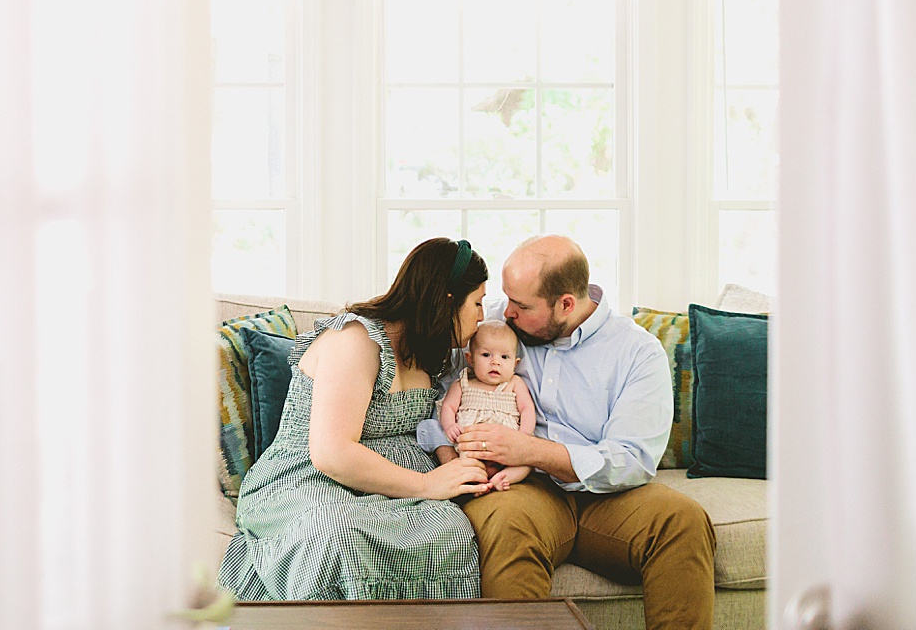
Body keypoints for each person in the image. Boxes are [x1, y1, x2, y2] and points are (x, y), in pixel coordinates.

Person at [452, 234, 716, 630]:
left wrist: (530, 450)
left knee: (683, 521)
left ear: (566, 304)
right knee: (508, 525)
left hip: (608, 497)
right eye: (506, 299)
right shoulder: (494, 322)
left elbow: (631, 458)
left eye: (521, 305)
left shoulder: (637, 352)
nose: (506, 313)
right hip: (521, 489)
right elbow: (439, 383)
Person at [218, 238, 493, 601]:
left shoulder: (431, 350)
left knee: (452, 528)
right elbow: (331, 454)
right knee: (337, 533)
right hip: (310, 478)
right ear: (445, 299)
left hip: (387, 486)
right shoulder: (356, 339)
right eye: (477, 302)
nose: (482, 316)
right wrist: (428, 486)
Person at [429, 321, 535, 490]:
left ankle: (501, 478)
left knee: (526, 464)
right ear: (470, 359)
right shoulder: (462, 383)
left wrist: (525, 436)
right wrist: (450, 426)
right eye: (486, 355)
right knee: (464, 460)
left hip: (509, 446)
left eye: (504, 357)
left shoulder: (515, 383)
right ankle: (475, 480)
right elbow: (448, 407)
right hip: (473, 446)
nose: (495, 362)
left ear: (515, 363)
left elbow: (527, 409)